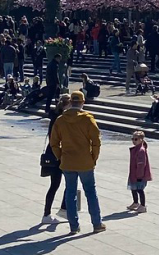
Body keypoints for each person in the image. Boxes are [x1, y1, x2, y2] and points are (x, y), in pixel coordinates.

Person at [49, 90, 106, 235]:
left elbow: (54, 142)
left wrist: (60, 156)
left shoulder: (61, 120)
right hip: (85, 161)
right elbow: (96, 141)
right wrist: (94, 157)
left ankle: (74, 226)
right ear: (83, 102)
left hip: (67, 161)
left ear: (70, 102)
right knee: (91, 192)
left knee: (70, 192)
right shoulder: (88, 119)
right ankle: (97, 223)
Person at [41, 94, 71, 224]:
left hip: (54, 153)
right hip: (58, 155)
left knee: (58, 184)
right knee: (66, 182)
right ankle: (58, 211)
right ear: (66, 105)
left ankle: (51, 213)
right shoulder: (60, 119)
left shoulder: (55, 116)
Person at [128, 130, 152, 213]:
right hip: (134, 173)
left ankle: (143, 205)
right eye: (132, 139)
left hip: (139, 175)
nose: (133, 141)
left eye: (136, 139)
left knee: (139, 190)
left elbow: (141, 165)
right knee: (133, 188)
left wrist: (139, 176)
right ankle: (135, 202)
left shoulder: (141, 150)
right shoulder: (136, 149)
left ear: (141, 139)